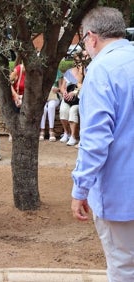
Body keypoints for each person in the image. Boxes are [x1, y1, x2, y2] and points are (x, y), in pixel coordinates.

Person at [70, 7, 134, 281]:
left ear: (91, 38)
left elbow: (96, 140)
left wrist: (80, 188)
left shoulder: (101, 71)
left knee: (123, 268)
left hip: (121, 194)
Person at [59, 53, 84, 146]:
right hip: (67, 99)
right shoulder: (69, 72)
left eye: (79, 61)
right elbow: (62, 87)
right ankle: (66, 133)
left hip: (78, 100)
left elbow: (82, 86)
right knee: (63, 110)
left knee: (73, 111)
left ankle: (73, 137)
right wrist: (64, 92)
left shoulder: (85, 72)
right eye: (76, 60)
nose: (77, 63)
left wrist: (74, 93)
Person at [39, 70, 62, 142]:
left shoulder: (58, 72)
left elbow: (61, 88)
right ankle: (42, 130)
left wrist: (57, 89)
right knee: (43, 108)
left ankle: (51, 130)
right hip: (43, 96)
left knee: (51, 106)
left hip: (54, 96)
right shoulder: (40, 72)